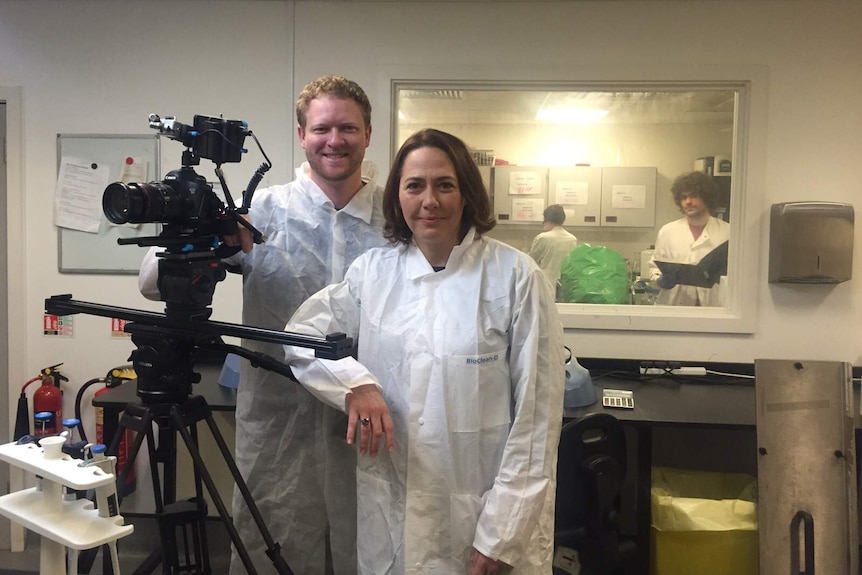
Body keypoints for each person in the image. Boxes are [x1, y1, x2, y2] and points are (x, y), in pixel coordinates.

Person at [283, 128, 565, 575]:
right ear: (398, 196)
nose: (429, 200)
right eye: (414, 186)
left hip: (483, 521)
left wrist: (502, 536)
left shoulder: (515, 278)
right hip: (392, 516)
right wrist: (355, 384)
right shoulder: (374, 273)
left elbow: (536, 424)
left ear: (467, 193)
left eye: (444, 185)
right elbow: (302, 336)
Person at [140, 75, 389, 574]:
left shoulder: (394, 218)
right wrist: (213, 238)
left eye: (347, 127)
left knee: (370, 547)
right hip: (280, 420)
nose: (334, 140)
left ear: (368, 133)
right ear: (301, 135)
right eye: (321, 128)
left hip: (371, 418)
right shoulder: (263, 211)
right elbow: (151, 282)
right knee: (271, 543)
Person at [648, 170, 730, 306]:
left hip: (713, 306)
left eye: (694, 196)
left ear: (706, 197)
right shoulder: (668, 231)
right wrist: (660, 279)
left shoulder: (727, 232)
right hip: (674, 307)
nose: (688, 202)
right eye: (683, 197)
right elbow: (654, 267)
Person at [528, 204, 577, 294]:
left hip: (545, 285)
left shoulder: (542, 238)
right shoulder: (572, 239)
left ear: (547, 220)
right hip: (565, 286)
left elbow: (530, 262)